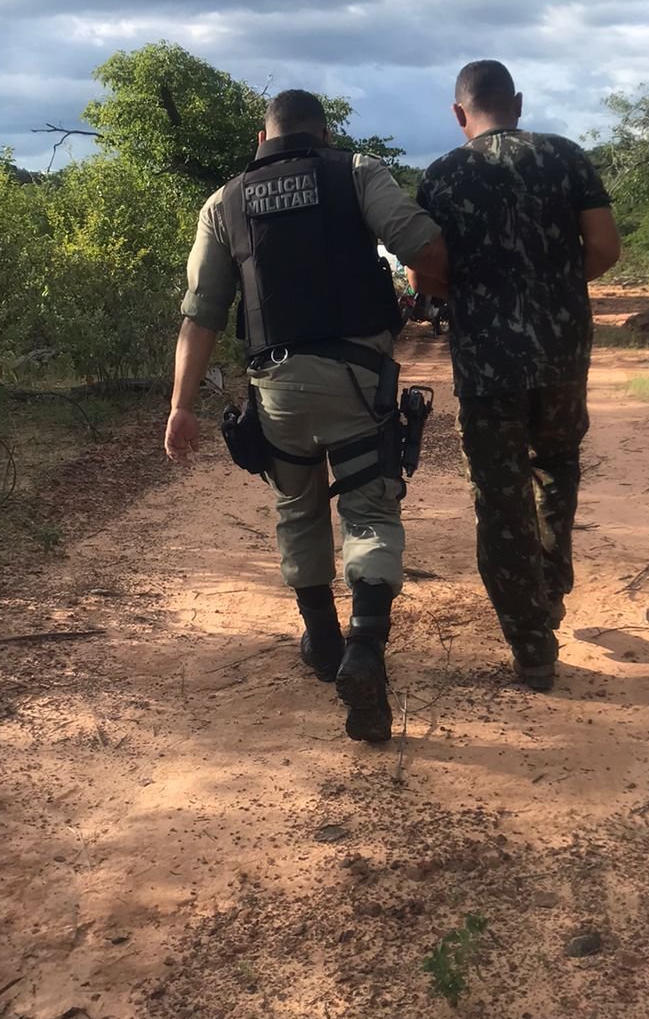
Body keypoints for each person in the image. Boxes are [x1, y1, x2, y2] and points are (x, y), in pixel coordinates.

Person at [164, 89, 449, 744]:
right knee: (370, 511)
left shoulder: (224, 202)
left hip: (277, 387)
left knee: (297, 507)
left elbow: (202, 314)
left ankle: (322, 641)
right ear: (322, 135)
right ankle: (364, 648)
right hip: (357, 378)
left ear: (262, 138)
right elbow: (423, 250)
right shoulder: (355, 171)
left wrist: (180, 407)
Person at [414, 60, 621, 690]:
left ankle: (532, 645)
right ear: (519, 102)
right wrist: (556, 287)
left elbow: (424, 274)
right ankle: (552, 588)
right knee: (556, 466)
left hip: (487, 363)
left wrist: (474, 295)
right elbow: (605, 248)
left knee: (500, 497)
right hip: (562, 351)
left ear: (459, 113)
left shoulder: (442, 175)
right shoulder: (567, 157)